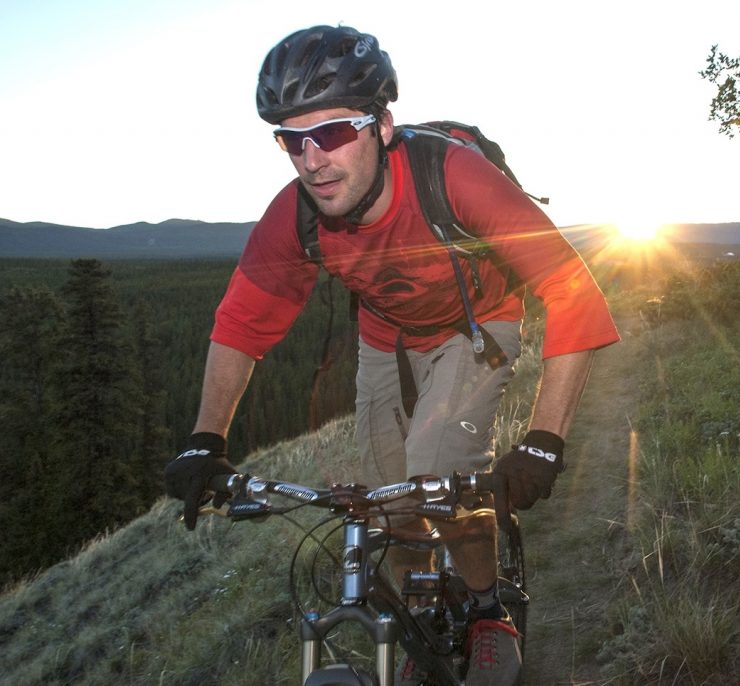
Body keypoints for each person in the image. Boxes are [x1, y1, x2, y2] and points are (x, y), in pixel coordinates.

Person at [164, 24, 619, 686]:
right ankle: (426, 617)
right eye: (292, 140)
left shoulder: (454, 176)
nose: (311, 159)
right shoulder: (296, 216)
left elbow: (572, 289)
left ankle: (490, 611)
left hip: (476, 325)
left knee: (440, 473)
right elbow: (241, 322)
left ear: (381, 124)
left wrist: (545, 440)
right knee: (389, 503)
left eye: (333, 133)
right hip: (386, 340)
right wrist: (207, 439)